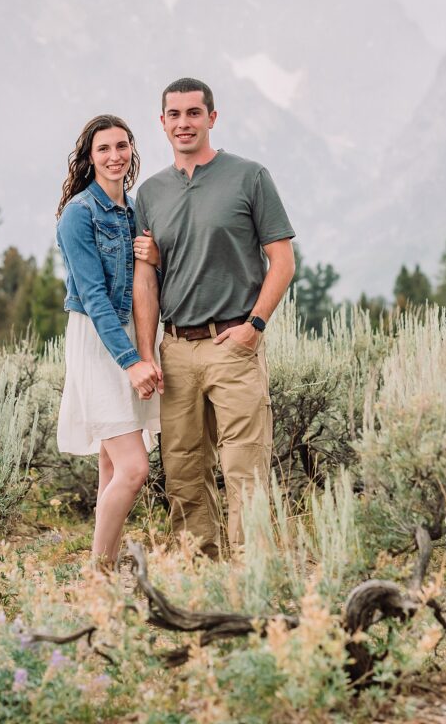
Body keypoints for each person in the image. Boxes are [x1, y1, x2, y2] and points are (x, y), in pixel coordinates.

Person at [132, 78, 296, 558]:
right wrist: (148, 352)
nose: (184, 123)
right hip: (176, 349)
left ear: (211, 118)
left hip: (234, 343)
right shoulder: (151, 193)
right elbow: (146, 280)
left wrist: (255, 327)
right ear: (162, 123)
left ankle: (253, 572)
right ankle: (199, 572)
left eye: (193, 113)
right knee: (182, 468)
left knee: (244, 466)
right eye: (174, 115)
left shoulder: (249, 177)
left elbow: (282, 261)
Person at [55, 114, 162, 568]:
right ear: (89, 157)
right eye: (104, 149)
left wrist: (153, 255)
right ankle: (97, 574)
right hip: (100, 341)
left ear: (132, 151)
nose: (115, 156)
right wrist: (131, 359)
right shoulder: (79, 214)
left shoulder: (137, 211)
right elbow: (94, 297)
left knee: (113, 463)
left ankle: (106, 570)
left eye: (122, 146)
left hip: (135, 332)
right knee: (134, 468)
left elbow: (149, 278)